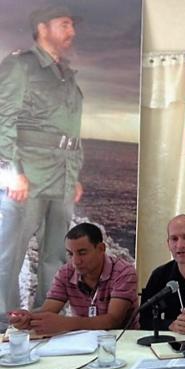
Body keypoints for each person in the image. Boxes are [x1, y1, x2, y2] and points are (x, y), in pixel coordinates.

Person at [0, 6, 84, 323]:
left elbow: (70, 133)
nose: (71, 31)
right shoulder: (21, 66)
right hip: (29, 175)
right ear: (42, 27)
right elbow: (3, 119)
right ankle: (2, 323)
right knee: (11, 252)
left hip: (60, 177)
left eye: (72, 24)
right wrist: (13, 171)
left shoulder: (65, 75)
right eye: (65, 23)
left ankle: (48, 317)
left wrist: (72, 175)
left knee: (58, 255)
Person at [8, 222, 138, 335]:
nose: (76, 261)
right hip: (81, 342)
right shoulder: (66, 272)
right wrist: (27, 319)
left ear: (101, 249)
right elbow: (48, 311)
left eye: (82, 253)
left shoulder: (124, 272)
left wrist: (66, 323)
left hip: (122, 341)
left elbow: (113, 320)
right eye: (70, 254)